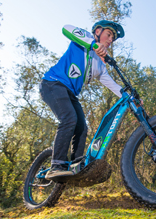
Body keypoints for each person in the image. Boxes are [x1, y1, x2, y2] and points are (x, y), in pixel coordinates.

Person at [39, 20, 124, 180]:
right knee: (69, 118)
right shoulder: (84, 38)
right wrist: (93, 45)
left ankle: (77, 164)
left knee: (82, 127)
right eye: (109, 34)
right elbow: (66, 28)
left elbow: (112, 84)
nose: (111, 39)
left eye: (113, 38)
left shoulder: (100, 64)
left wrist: (130, 96)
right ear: (98, 31)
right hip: (52, 84)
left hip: (70, 93)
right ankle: (56, 165)